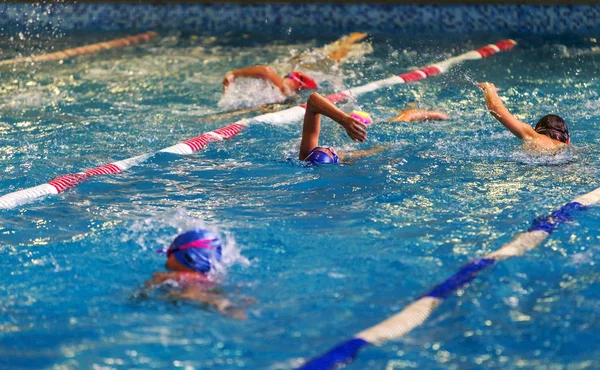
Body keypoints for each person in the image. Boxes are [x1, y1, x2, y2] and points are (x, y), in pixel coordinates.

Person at [146, 229, 246, 320]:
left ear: (186, 256)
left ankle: (218, 303)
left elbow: (146, 292)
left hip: (192, 289)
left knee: (192, 295)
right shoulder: (208, 277)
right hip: (209, 286)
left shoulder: (173, 276)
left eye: (170, 251)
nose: (167, 255)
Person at [478, 82, 570, 150]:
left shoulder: (532, 135)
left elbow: (495, 108)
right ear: (567, 140)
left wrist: (488, 88)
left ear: (536, 130)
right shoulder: (567, 148)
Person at [299, 92, 371, 164]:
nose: (330, 147)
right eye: (331, 151)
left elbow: (313, 99)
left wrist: (344, 120)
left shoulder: (305, 156)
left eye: (317, 149)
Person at [223, 66, 318, 98]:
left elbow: (265, 71)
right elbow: (265, 71)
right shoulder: (283, 89)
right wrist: (234, 74)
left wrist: (234, 73)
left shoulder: (284, 89)